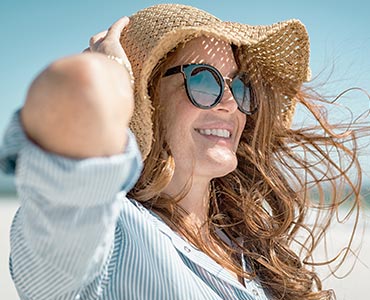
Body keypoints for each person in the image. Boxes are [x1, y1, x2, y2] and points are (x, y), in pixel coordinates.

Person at [0, 4, 368, 300]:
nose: (229, 103)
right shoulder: (104, 239)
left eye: (239, 86)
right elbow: (76, 86)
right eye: (203, 78)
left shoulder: (245, 246)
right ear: (145, 97)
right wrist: (111, 73)